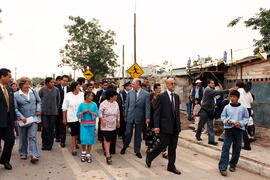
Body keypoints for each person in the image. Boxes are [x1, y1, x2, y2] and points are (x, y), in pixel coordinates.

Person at [146, 78, 181, 175]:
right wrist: (156, 126)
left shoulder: (177, 97)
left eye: (174, 83)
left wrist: (179, 125)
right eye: (171, 83)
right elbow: (156, 113)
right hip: (165, 126)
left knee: (173, 148)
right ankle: (150, 156)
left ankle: (171, 166)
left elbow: (176, 112)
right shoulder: (161, 96)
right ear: (166, 85)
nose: (173, 85)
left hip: (175, 127)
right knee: (162, 145)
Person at [218, 90, 249, 176]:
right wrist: (227, 121)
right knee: (225, 148)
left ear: (238, 98)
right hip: (228, 130)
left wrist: (241, 123)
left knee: (237, 148)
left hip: (238, 130)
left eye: (234, 97)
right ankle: (222, 167)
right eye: (230, 96)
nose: (232, 98)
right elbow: (223, 116)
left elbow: (246, 118)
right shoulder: (227, 107)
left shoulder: (243, 108)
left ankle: (232, 164)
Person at [195, 79, 234, 146]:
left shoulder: (211, 90)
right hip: (204, 110)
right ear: (208, 84)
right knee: (201, 124)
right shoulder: (208, 90)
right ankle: (198, 135)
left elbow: (218, 94)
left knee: (210, 126)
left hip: (210, 111)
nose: (213, 84)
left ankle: (211, 140)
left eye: (213, 83)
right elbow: (218, 92)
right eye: (212, 83)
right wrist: (228, 90)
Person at [120, 78, 150, 159]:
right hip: (130, 116)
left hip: (140, 117)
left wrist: (147, 117)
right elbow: (127, 105)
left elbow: (147, 107)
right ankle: (125, 146)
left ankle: (137, 151)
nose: (131, 85)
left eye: (133, 84)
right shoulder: (130, 93)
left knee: (138, 135)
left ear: (138, 85)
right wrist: (125, 115)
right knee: (128, 133)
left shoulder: (146, 94)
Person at [14, 77, 41, 163]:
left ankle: (34, 154)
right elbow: (15, 108)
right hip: (23, 120)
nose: (28, 85)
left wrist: (38, 110)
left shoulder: (33, 91)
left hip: (33, 118)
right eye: (26, 84)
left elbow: (39, 101)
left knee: (32, 136)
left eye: (28, 83)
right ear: (21, 85)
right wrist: (21, 117)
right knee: (22, 137)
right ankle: (23, 152)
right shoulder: (16, 95)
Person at [0, 68, 16, 170]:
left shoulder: (9, 89)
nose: (11, 79)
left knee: (10, 141)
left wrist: (14, 119)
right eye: (9, 77)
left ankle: (5, 160)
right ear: (2, 76)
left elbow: (12, 106)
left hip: (8, 122)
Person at [62, 82, 84, 155]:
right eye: (78, 86)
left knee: (78, 132)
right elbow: (64, 107)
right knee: (73, 133)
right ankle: (73, 147)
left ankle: (76, 143)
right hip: (72, 117)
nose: (79, 87)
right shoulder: (68, 95)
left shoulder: (82, 94)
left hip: (81, 117)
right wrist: (64, 118)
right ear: (74, 87)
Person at [99, 89, 120, 165]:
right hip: (105, 124)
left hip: (113, 124)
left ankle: (108, 151)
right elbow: (100, 113)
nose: (116, 97)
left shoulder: (116, 103)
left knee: (110, 139)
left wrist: (118, 121)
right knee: (106, 139)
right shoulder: (103, 104)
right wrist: (102, 120)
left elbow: (118, 113)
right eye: (115, 95)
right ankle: (108, 155)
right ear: (111, 97)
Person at [39, 77, 60, 151]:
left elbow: (58, 101)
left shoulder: (56, 90)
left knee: (51, 128)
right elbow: (39, 99)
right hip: (44, 112)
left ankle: (49, 145)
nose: (53, 84)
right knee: (45, 128)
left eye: (53, 82)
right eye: (51, 82)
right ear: (47, 83)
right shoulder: (42, 90)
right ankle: (44, 143)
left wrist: (56, 109)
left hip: (53, 112)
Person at [77, 91, 98, 163]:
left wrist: (91, 113)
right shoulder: (81, 105)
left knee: (90, 139)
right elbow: (77, 114)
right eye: (89, 96)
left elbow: (97, 114)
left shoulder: (94, 104)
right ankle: (83, 153)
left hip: (92, 125)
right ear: (86, 96)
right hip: (83, 125)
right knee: (83, 139)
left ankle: (88, 154)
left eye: (92, 96)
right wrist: (83, 113)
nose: (91, 97)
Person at [237, 81, 253, 150]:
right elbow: (251, 101)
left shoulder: (238, 91)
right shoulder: (248, 92)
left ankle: (247, 145)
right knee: (243, 127)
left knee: (241, 127)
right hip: (248, 109)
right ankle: (244, 143)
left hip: (241, 109)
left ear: (237, 86)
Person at [55, 75, 70, 147]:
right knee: (57, 123)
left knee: (63, 125)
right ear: (61, 80)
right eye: (64, 81)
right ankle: (57, 136)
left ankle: (62, 140)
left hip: (66, 109)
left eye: (67, 81)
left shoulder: (69, 89)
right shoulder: (56, 87)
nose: (65, 82)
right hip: (57, 108)